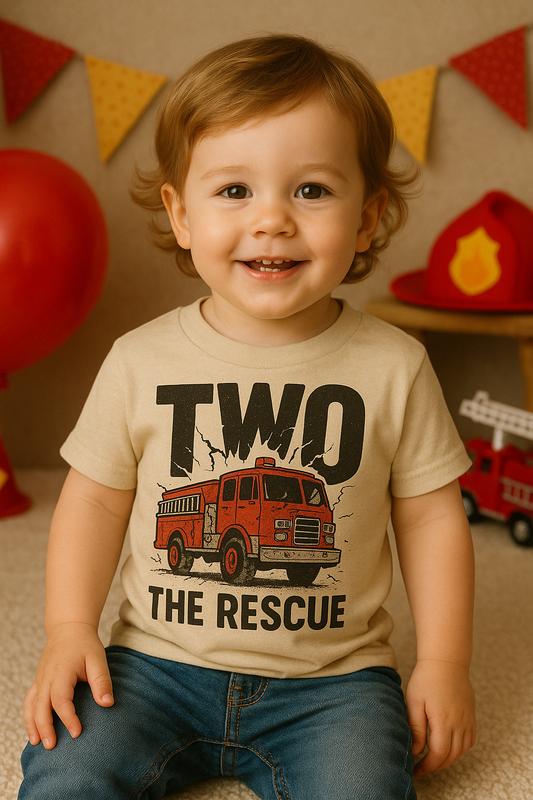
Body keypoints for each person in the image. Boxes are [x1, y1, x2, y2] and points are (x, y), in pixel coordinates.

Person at [19, 33, 476, 800]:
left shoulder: (395, 365)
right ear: (181, 213)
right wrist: (70, 629)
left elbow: (431, 518)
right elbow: (93, 501)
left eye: (311, 190)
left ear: (367, 218)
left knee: (364, 788)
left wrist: (444, 663)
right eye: (234, 190)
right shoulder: (140, 359)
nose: (271, 220)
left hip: (333, 680)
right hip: (153, 666)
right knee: (67, 768)